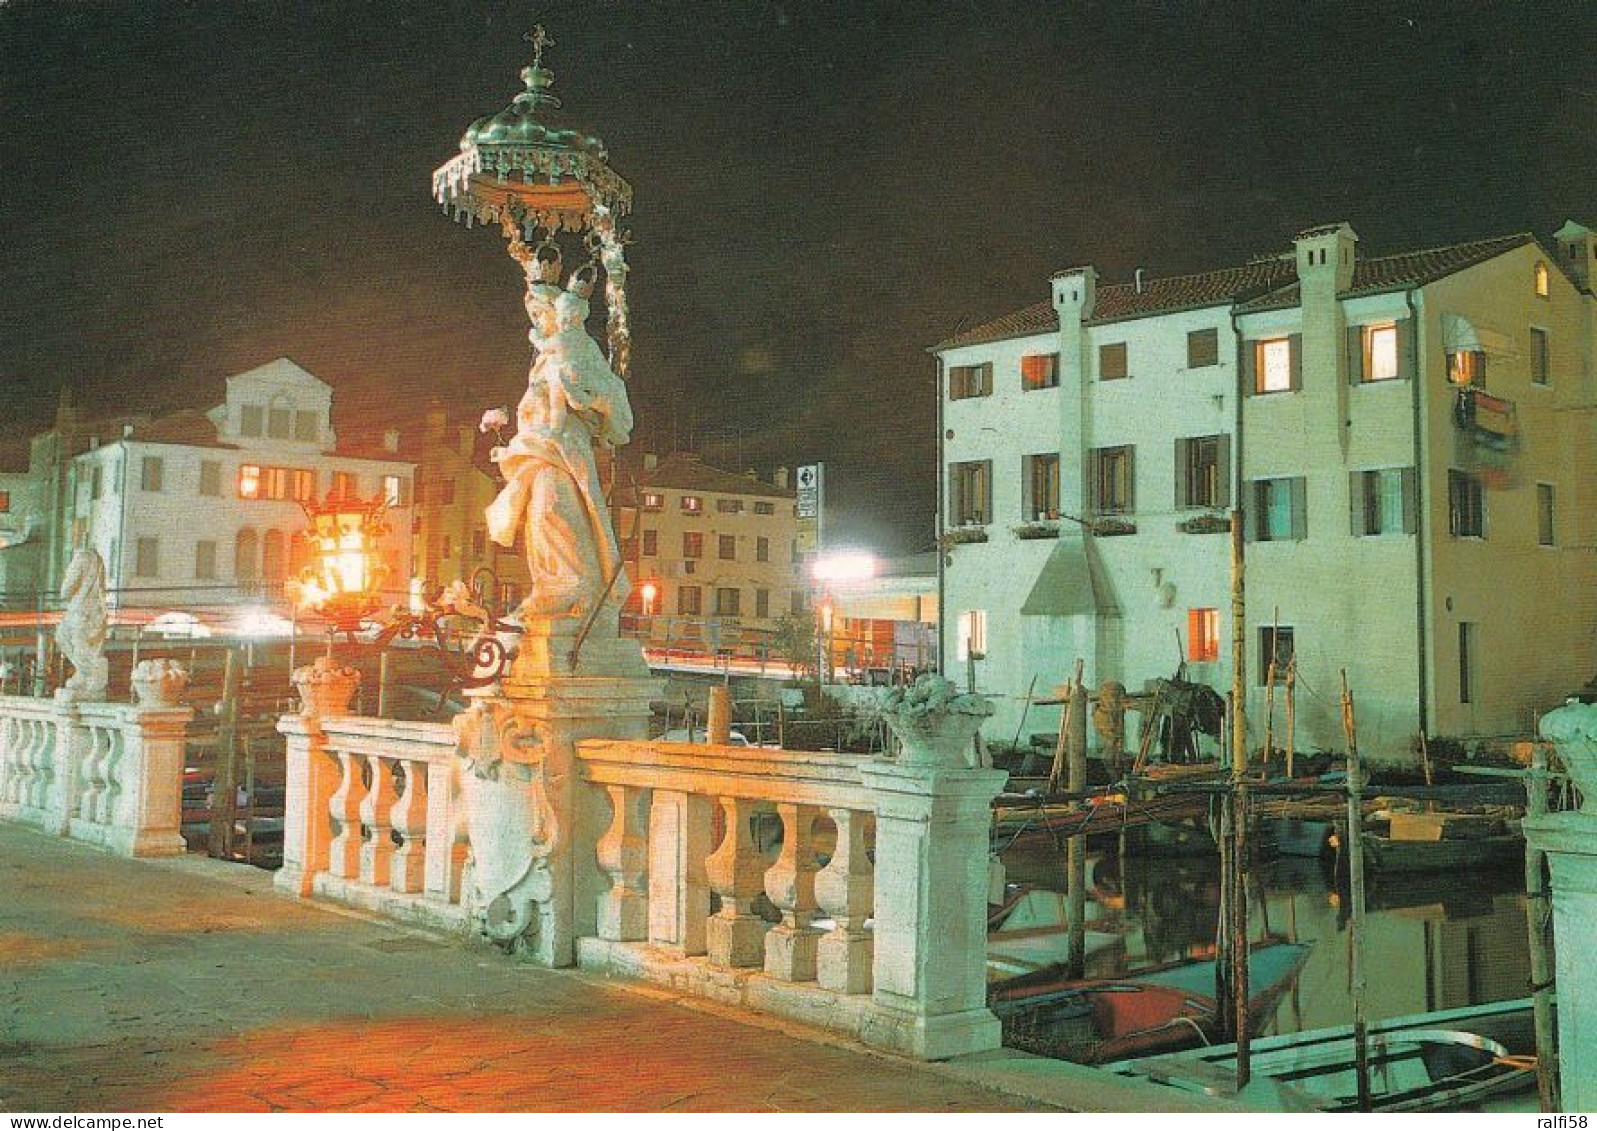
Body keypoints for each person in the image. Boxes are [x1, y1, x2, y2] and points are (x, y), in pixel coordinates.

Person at [486, 265, 634, 626]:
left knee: (553, 509)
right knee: (537, 521)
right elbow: (532, 407)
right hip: (538, 449)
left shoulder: (581, 350)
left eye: (540, 313)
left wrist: (589, 396)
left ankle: (576, 587)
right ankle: (553, 588)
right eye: (532, 315)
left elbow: (614, 398)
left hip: (566, 449)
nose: (537, 321)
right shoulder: (542, 361)